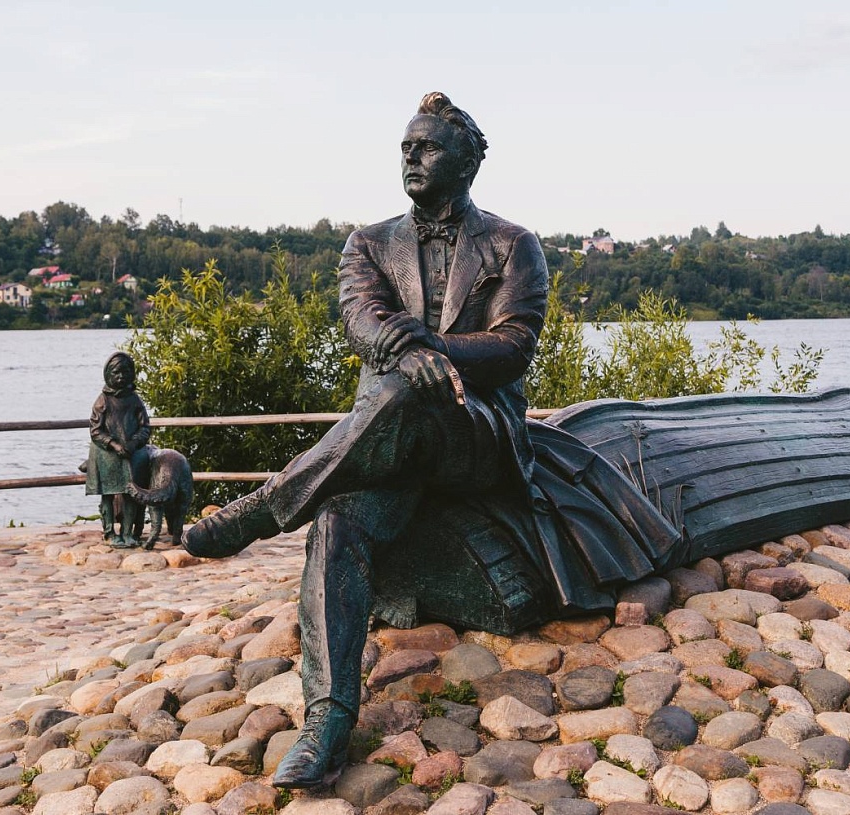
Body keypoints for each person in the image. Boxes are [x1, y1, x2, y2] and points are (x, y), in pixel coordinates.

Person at [181, 91, 550, 788]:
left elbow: (512, 346)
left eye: (428, 147)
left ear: (467, 161)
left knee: (404, 388)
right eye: (405, 147)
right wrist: (407, 353)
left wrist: (432, 352)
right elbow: (362, 323)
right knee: (336, 522)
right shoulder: (368, 243)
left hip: (473, 432)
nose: (411, 157)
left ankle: (265, 507)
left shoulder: (511, 243)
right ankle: (327, 721)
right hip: (390, 444)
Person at [85, 351, 151, 548]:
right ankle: (109, 532)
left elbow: (145, 427)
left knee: (131, 493)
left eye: (125, 372)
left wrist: (133, 443)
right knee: (108, 494)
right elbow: (95, 430)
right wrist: (113, 444)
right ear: (108, 374)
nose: (121, 377)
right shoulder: (102, 400)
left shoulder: (134, 400)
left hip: (130, 454)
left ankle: (127, 532)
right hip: (105, 454)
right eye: (116, 373)